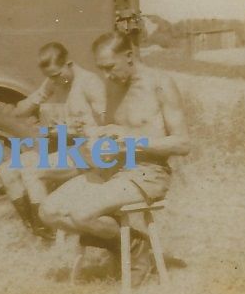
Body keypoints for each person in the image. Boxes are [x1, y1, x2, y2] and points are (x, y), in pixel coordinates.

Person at [39, 31, 190, 280]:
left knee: (81, 213)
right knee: (49, 211)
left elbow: (183, 144)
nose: (106, 76)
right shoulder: (113, 86)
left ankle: (134, 251)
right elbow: (113, 131)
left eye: (110, 67)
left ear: (129, 56)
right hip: (113, 169)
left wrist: (133, 140)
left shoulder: (160, 84)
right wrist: (96, 134)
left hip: (147, 173)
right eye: (101, 69)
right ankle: (133, 243)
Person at [0, 42, 107, 240]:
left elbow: (109, 122)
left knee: (32, 170)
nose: (54, 81)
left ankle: (48, 233)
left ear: (69, 63)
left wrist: (76, 129)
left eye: (57, 75)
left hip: (90, 155)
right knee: (7, 170)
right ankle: (36, 230)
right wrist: (36, 100)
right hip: (67, 151)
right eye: (49, 77)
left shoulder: (89, 83)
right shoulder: (54, 80)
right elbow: (19, 111)